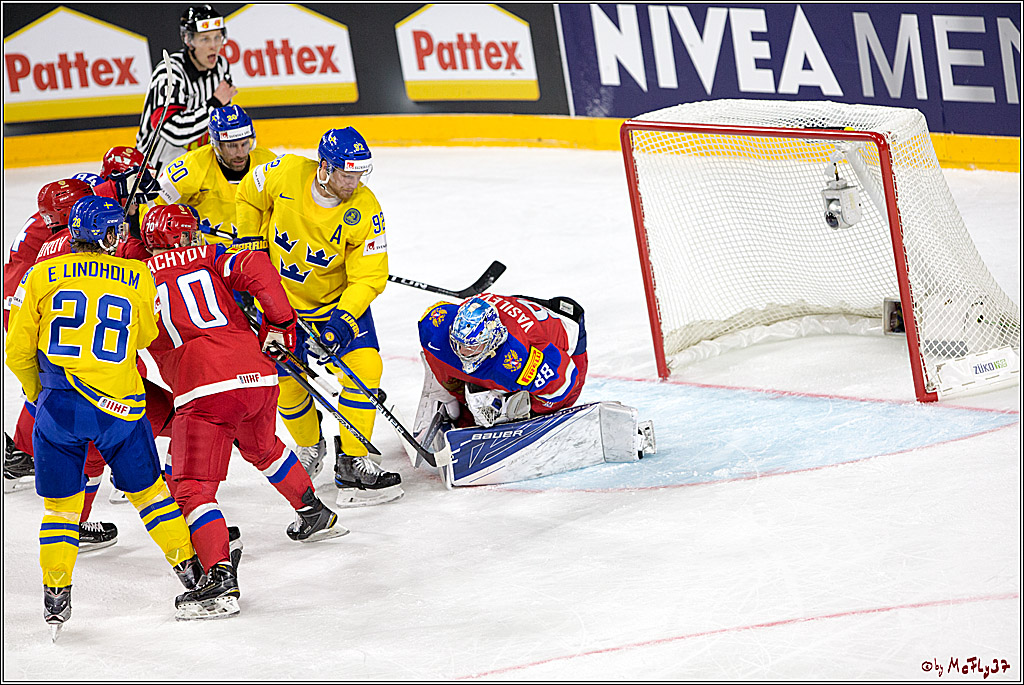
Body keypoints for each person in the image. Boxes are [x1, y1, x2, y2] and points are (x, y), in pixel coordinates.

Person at [125, 204, 345, 620]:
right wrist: (281, 324)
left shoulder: (132, 279)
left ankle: (219, 577)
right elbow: (256, 264)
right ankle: (313, 512)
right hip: (258, 377)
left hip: (204, 390)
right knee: (263, 448)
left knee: (191, 489)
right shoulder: (208, 254)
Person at [5, 196, 203, 636]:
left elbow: (16, 350)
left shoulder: (41, 275)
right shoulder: (136, 276)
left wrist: (41, 395)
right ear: (108, 234)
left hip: (58, 409)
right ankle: (191, 573)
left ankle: (56, 597)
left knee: (59, 510)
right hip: (121, 411)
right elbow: (146, 335)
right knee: (151, 497)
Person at [235, 127, 403, 508]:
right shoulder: (285, 171)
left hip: (333, 303)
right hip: (278, 306)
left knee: (365, 368)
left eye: (361, 173)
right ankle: (310, 446)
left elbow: (369, 276)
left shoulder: (366, 209)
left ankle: (352, 460)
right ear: (324, 168)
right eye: (348, 173)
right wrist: (249, 248)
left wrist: (342, 321)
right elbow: (247, 194)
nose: (355, 181)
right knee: (288, 383)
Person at [416, 293, 589, 433]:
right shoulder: (436, 328)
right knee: (479, 392)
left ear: (492, 341)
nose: (463, 353)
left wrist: (530, 417)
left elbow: (563, 384)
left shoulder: (518, 359)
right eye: (460, 344)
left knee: (559, 400)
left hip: (566, 334)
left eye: (474, 347)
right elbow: (440, 350)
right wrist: (458, 396)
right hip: (515, 313)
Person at [155, 104, 278, 248]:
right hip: (206, 255)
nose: (240, 153)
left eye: (245, 144)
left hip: (256, 251)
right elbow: (154, 207)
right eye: (232, 146)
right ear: (216, 144)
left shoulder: (269, 163)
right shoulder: (191, 167)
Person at [136, 5, 237, 173]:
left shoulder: (221, 67)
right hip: (154, 171)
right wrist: (214, 104)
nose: (214, 46)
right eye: (205, 39)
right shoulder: (169, 73)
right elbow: (171, 130)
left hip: (197, 167)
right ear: (189, 40)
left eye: (217, 37)